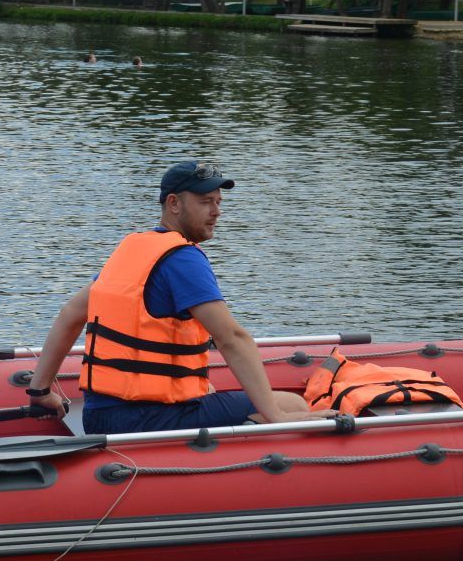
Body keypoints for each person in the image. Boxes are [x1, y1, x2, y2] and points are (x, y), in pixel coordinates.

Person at [23, 160, 328, 433]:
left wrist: (40, 391)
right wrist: (274, 417)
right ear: (174, 203)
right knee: (293, 406)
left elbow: (70, 314)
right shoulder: (183, 258)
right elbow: (232, 338)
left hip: (100, 416)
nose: (216, 212)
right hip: (151, 417)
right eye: (206, 202)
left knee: (271, 402)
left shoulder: (133, 249)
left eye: (219, 202)